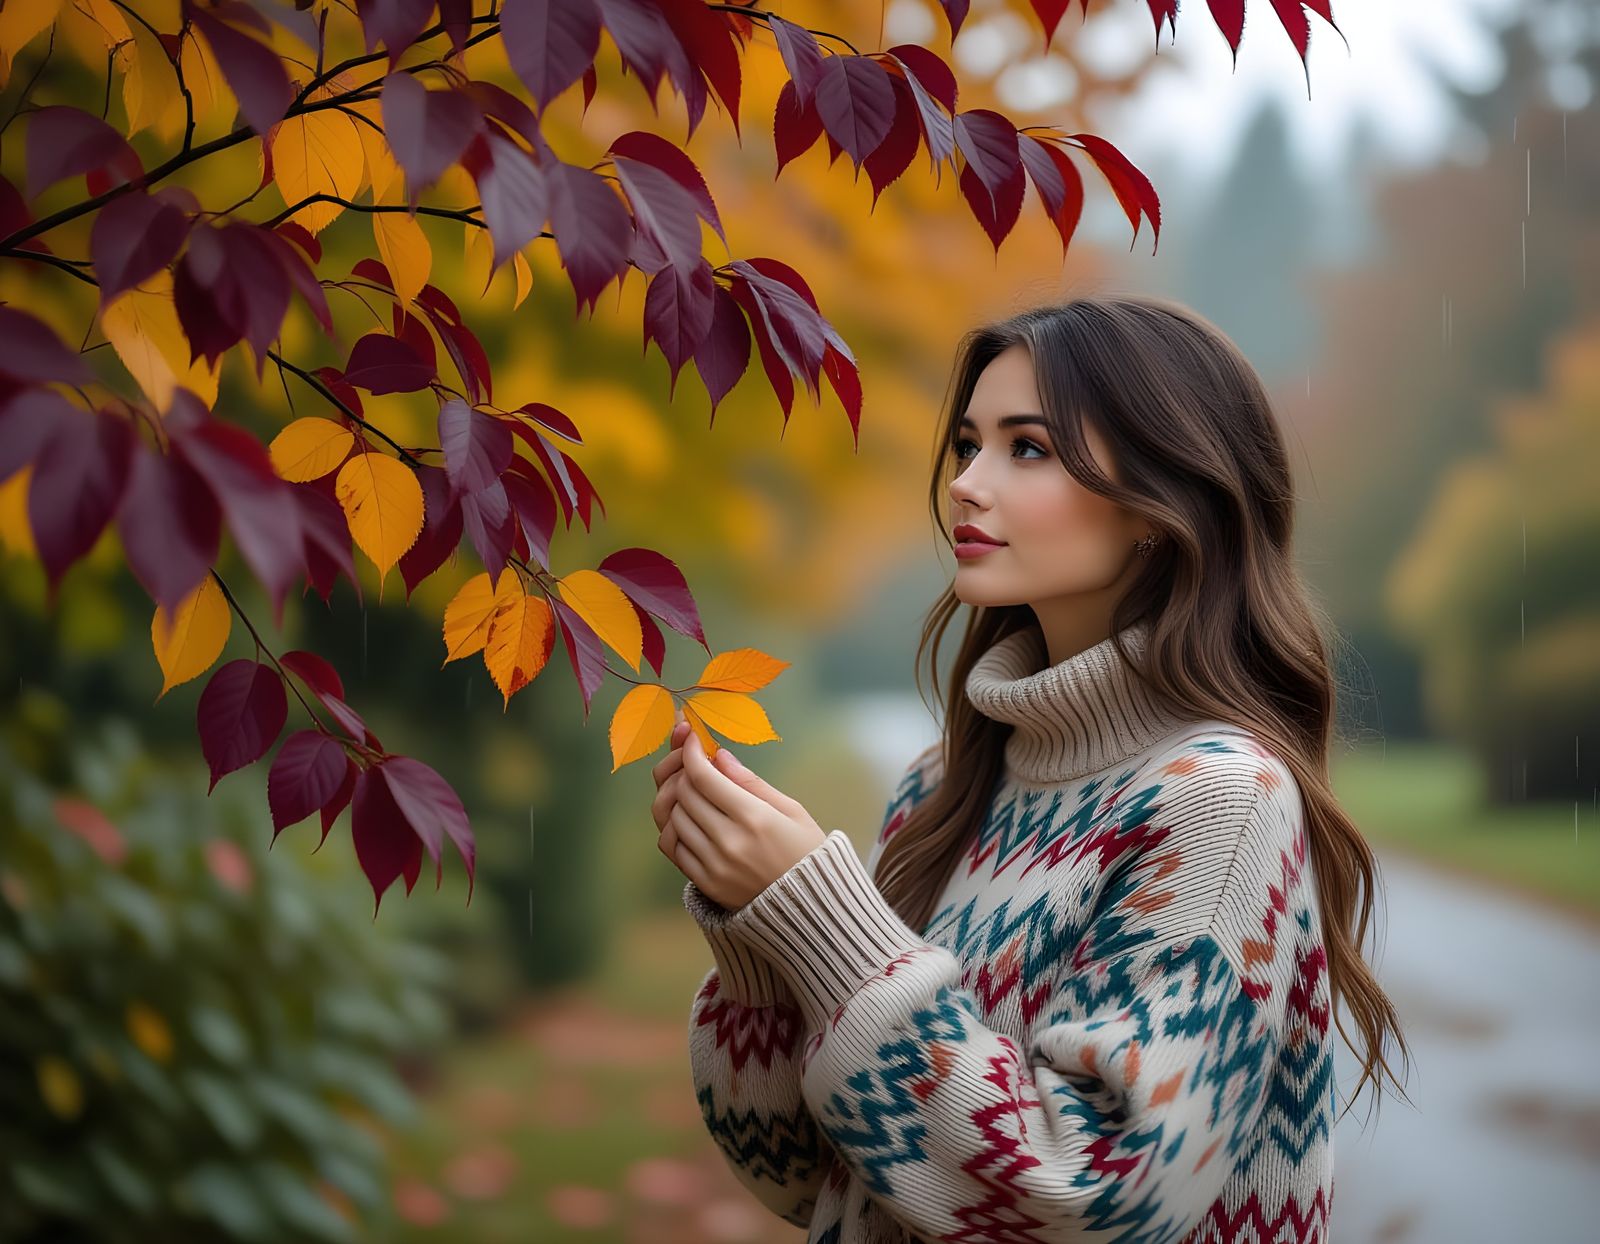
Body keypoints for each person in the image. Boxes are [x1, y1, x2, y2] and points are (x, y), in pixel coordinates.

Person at [650, 294, 1411, 1243]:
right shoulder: (944, 785)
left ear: (1158, 503)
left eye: (1028, 448)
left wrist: (826, 922)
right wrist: (765, 940)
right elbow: (802, 1172)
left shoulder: (1217, 801)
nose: (968, 483)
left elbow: (1095, 1194)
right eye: (969, 444)